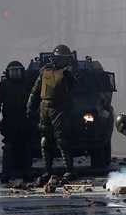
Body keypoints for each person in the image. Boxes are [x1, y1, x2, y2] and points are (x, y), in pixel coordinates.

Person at [27, 45, 84, 184]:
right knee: (45, 140)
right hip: (44, 107)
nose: (63, 60)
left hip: (60, 108)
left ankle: (69, 170)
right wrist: (29, 105)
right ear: (56, 57)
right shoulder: (44, 71)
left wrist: (71, 70)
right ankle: (47, 171)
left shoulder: (68, 72)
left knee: (61, 139)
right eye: (61, 58)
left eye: (65, 58)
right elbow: (36, 89)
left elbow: (81, 81)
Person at [0, 61, 34, 183]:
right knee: (9, 147)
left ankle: (27, 173)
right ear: (8, 73)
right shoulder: (4, 86)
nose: (15, 74)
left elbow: (36, 103)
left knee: (27, 147)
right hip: (10, 121)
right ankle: (5, 174)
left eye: (18, 71)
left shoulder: (28, 85)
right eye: (13, 71)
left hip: (25, 121)